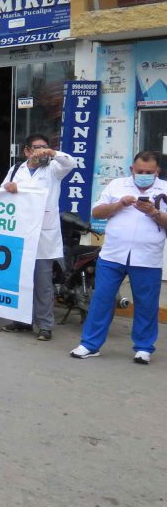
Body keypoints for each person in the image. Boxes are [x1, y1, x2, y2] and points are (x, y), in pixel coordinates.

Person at [70, 152, 167, 364]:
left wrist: (153, 212)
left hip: (147, 258)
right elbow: (97, 212)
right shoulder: (117, 185)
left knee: (146, 304)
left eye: (149, 173)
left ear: (157, 171)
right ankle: (89, 344)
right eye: (139, 171)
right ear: (132, 169)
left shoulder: (165, 189)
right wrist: (119, 205)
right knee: (101, 300)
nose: (143, 175)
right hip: (113, 255)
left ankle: (143, 348)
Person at [0, 135, 76, 341]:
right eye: (37, 148)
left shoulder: (53, 169)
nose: (42, 151)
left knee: (43, 282)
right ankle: (22, 320)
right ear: (26, 151)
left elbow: (71, 162)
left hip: (43, 234)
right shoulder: (17, 170)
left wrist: (52, 153)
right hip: (20, 233)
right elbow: (1, 192)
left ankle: (45, 325)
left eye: (45, 147)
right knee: (21, 281)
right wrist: (9, 188)